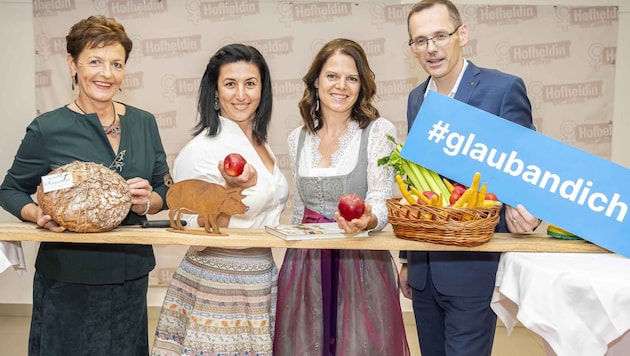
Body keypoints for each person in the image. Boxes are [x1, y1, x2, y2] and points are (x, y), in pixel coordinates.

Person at [0, 15, 170, 355]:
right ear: (72, 64)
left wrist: (148, 201)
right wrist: (37, 213)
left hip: (130, 276)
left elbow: (165, 189)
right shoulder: (48, 129)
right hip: (68, 280)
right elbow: (9, 190)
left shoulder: (144, 123)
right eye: (95, 61)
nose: (106, 74)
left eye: (116, 64)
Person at [399, 1, 541, 355]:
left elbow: (528, 166)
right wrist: (406, 257)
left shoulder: (503, 89)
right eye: (420, 40)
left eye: (440, 36)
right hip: (423, 270)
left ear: (462, 34)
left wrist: (529, 211)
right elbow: (418, 182)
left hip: (472, 269)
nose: (431, 48)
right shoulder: (417, 99)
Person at [273, 38, 410, 356]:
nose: (341, 85)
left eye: (352, 78)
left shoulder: (378, 131)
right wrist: (289, 262)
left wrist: (369, 219)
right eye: (332, 75)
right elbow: (299, 209)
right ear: (316, 80)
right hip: (306, 264)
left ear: (362, 85)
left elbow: (380, 196)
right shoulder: (298, 138)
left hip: (359, 263)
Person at [151, 43, 289, 356]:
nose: (241, 94)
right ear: (215, 91)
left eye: (250, 84)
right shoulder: (201, 151)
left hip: (261, 278)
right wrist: (228, 191)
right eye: (230, 84)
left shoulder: (259, 144)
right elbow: (194, 234)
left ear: (262, 90)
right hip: (216, 286)